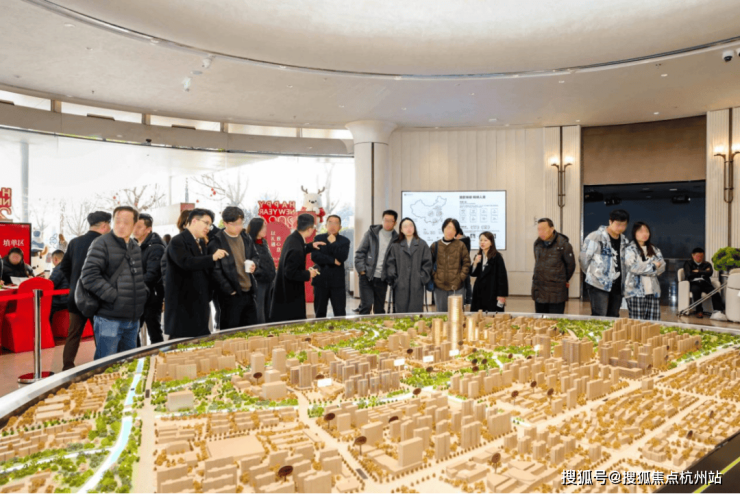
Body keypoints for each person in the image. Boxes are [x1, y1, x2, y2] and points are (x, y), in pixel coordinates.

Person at [80, 206, 147, 360]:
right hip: (109, 318)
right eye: (118, 221)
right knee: (106, 365)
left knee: (128, 363)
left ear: (134, 224)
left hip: (132, 318)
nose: (121, 226)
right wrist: (114, 297)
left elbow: (137, 276)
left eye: (126, 222)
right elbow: (89, 275)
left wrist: (143, 294)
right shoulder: (101, 243)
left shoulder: (135, 247)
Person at [59, 211, 111, 370]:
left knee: (73, 334)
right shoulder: (106, 242)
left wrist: (75, 282)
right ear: (104, 225)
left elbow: (64, 267)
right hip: (99, 297)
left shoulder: (75, 242)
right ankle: (103, 366)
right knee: (101, 335)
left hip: (76, 297)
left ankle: (67, 366)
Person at [164, 209, 227, 339]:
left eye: (210, 225)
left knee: (200, 342)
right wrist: (212, 257)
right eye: (206, 223)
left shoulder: (201, 242)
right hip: (183, 306)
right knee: (181, 345)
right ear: (194, 221)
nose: (208, 228)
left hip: (200, 304)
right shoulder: (177, 241)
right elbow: (186, 262)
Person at [207, 207, 260, 330]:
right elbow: (215, 270)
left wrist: (254, 264)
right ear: (225, 223)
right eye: (235, 224)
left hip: (249, 290)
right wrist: (229, 290)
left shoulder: (245, 237)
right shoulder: (217, 241)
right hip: (231, 294)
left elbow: (255, 255)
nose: (239, 227)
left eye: (241, 223)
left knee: (251, 329)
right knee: (232, 331)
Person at [271, 213, 326, 322]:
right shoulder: (296, 246)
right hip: (290, 293)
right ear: (310, 229)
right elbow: (290, 273)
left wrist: (310, 246)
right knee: (293, 322)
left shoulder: (293, 238)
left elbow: (301, 249)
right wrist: (309, 273)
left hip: (285, 290)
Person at [580, 209, 630, 317]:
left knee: (614, 316)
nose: (620, 228)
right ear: (610, 222)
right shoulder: (595, 237)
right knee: (600, 315)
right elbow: (584, 259)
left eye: (623, 225)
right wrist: (593, 274)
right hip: (598, 285)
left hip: (617, 285)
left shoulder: (624, 241)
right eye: (618, 224)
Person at [355, 210, 399, 314]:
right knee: (366, 306)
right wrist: (362, 271)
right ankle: (363, 325)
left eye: (390, 221)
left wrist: (391, 275)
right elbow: (360, 252)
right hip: (367, 276)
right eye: (385, 220)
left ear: (395, 223)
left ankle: (378, 325)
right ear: (382, 220)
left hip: (382, 278)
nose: (387, 223)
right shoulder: (371, 233)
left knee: (379, 309)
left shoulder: (397, 239)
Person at [385, 218, 433, 313]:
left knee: (415, 312)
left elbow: (428, 263)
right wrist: (395, 279)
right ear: (401, 230)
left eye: (411, 225)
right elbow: (390, 264)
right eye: (405, 226)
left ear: (414, 228)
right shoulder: (396, 245)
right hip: (400, 284)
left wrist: (421, 278)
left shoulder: (422, 244)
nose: (409, 228)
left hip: (417, 284)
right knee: (400, 311)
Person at [133, 213, 166, 344]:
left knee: (154, 331)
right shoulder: (135, 245)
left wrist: (131, 283)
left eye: (139, 227)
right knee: (132, 331)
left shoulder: (156, 247)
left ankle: (159, 354)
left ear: (148, 229)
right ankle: (138, 355)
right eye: (134, 226)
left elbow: (152, 275)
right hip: (138, 294)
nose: (135, 230)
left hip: (152, 295)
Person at [531, 218, 576, 314]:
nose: (541, 232)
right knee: (540, 320)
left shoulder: (563, 245)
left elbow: (571, 266)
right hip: (539, 290)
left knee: (555, 321)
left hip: (556, 292)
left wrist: (562, 279)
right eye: (539, 229)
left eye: (544, 229)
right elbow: (538, 262)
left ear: (552, 229)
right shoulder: (537, 244)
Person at [623, 222, 665, 320]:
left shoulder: (654, 249)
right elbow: (633, 267)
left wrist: (644, 267)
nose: (644, 234)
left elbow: (662, 267)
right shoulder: (630, 249)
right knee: (637, 323)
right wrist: (653, 265)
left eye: (646, 231)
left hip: (653, 291)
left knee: (654, 323)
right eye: (641, 231)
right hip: (635, 292)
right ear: (634, 233)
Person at [311, 215, 351, 318]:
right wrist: (332, 260)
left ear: (340, 227)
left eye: (336, 223)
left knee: (340, 313)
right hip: (320, 281)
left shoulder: (344, 241)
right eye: (330, 222)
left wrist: (333, 243)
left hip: (337, 283)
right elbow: (315, 257)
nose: (333, 225)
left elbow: (342, 257)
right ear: (326, 225)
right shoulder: (318, 238)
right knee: (319, 313)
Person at [431, 218, 471, 312]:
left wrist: (460, 278)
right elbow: (429, 263)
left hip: (457, 287)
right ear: (443, 228)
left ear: (456, 232)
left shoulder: (461, 245)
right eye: (448, 227)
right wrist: (435, 277)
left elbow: (466, 263)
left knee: (456, 315)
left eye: (453, 229)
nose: (450, 231)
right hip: (439, 287)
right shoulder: (435, 245)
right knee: (441, 315)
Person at [246, 217, 276, 323]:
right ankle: (260, 328)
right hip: (258, 281)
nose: (265, 229)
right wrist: (259, 272)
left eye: (265, 227)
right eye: (263, 227)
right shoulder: (249, 243)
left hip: (269, 280)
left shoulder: (264, 242)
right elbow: (250, 262)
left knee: (268, 308)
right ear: (256, 228)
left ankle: (268, 328)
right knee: (259, 309)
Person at [471, 231, 508, 312]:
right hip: (479, 293)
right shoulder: (478, 256)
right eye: (481, 240)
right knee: (478, 316)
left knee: (492, 316)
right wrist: (475, 263)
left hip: (492, 292)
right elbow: (473, 273)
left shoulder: (497, 257)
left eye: (485, 240)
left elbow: (502, 277)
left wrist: (501, 295)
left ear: (491, 243)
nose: (482, 242)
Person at [683, 247, 724, 318]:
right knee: (696, 291)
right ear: (693, 255)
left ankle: (717, 312)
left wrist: (697, 271)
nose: (700, 258)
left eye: (701, 256)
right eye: (698, 256)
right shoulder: (688, 263)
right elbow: (689, 274)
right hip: (694, 282)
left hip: (705, 282)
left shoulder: (707, 264)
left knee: (715, 293)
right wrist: (704, 272)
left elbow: (710, 273)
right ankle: (699, 311)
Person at [454, 226, 473, 306]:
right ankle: (468, 299)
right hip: (466, 264)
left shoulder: (462, 241)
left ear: (458, 234)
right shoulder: (467, 240)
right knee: (467, 283)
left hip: (462, 265)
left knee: (464, 283)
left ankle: (466, 300)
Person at [49, 249, 69, 321]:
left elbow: (50, 285)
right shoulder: (69, 266)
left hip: (61, 300)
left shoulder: (59, 268)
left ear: (55, 259)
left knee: (43, 303)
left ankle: (47, 325)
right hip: (69, 298)